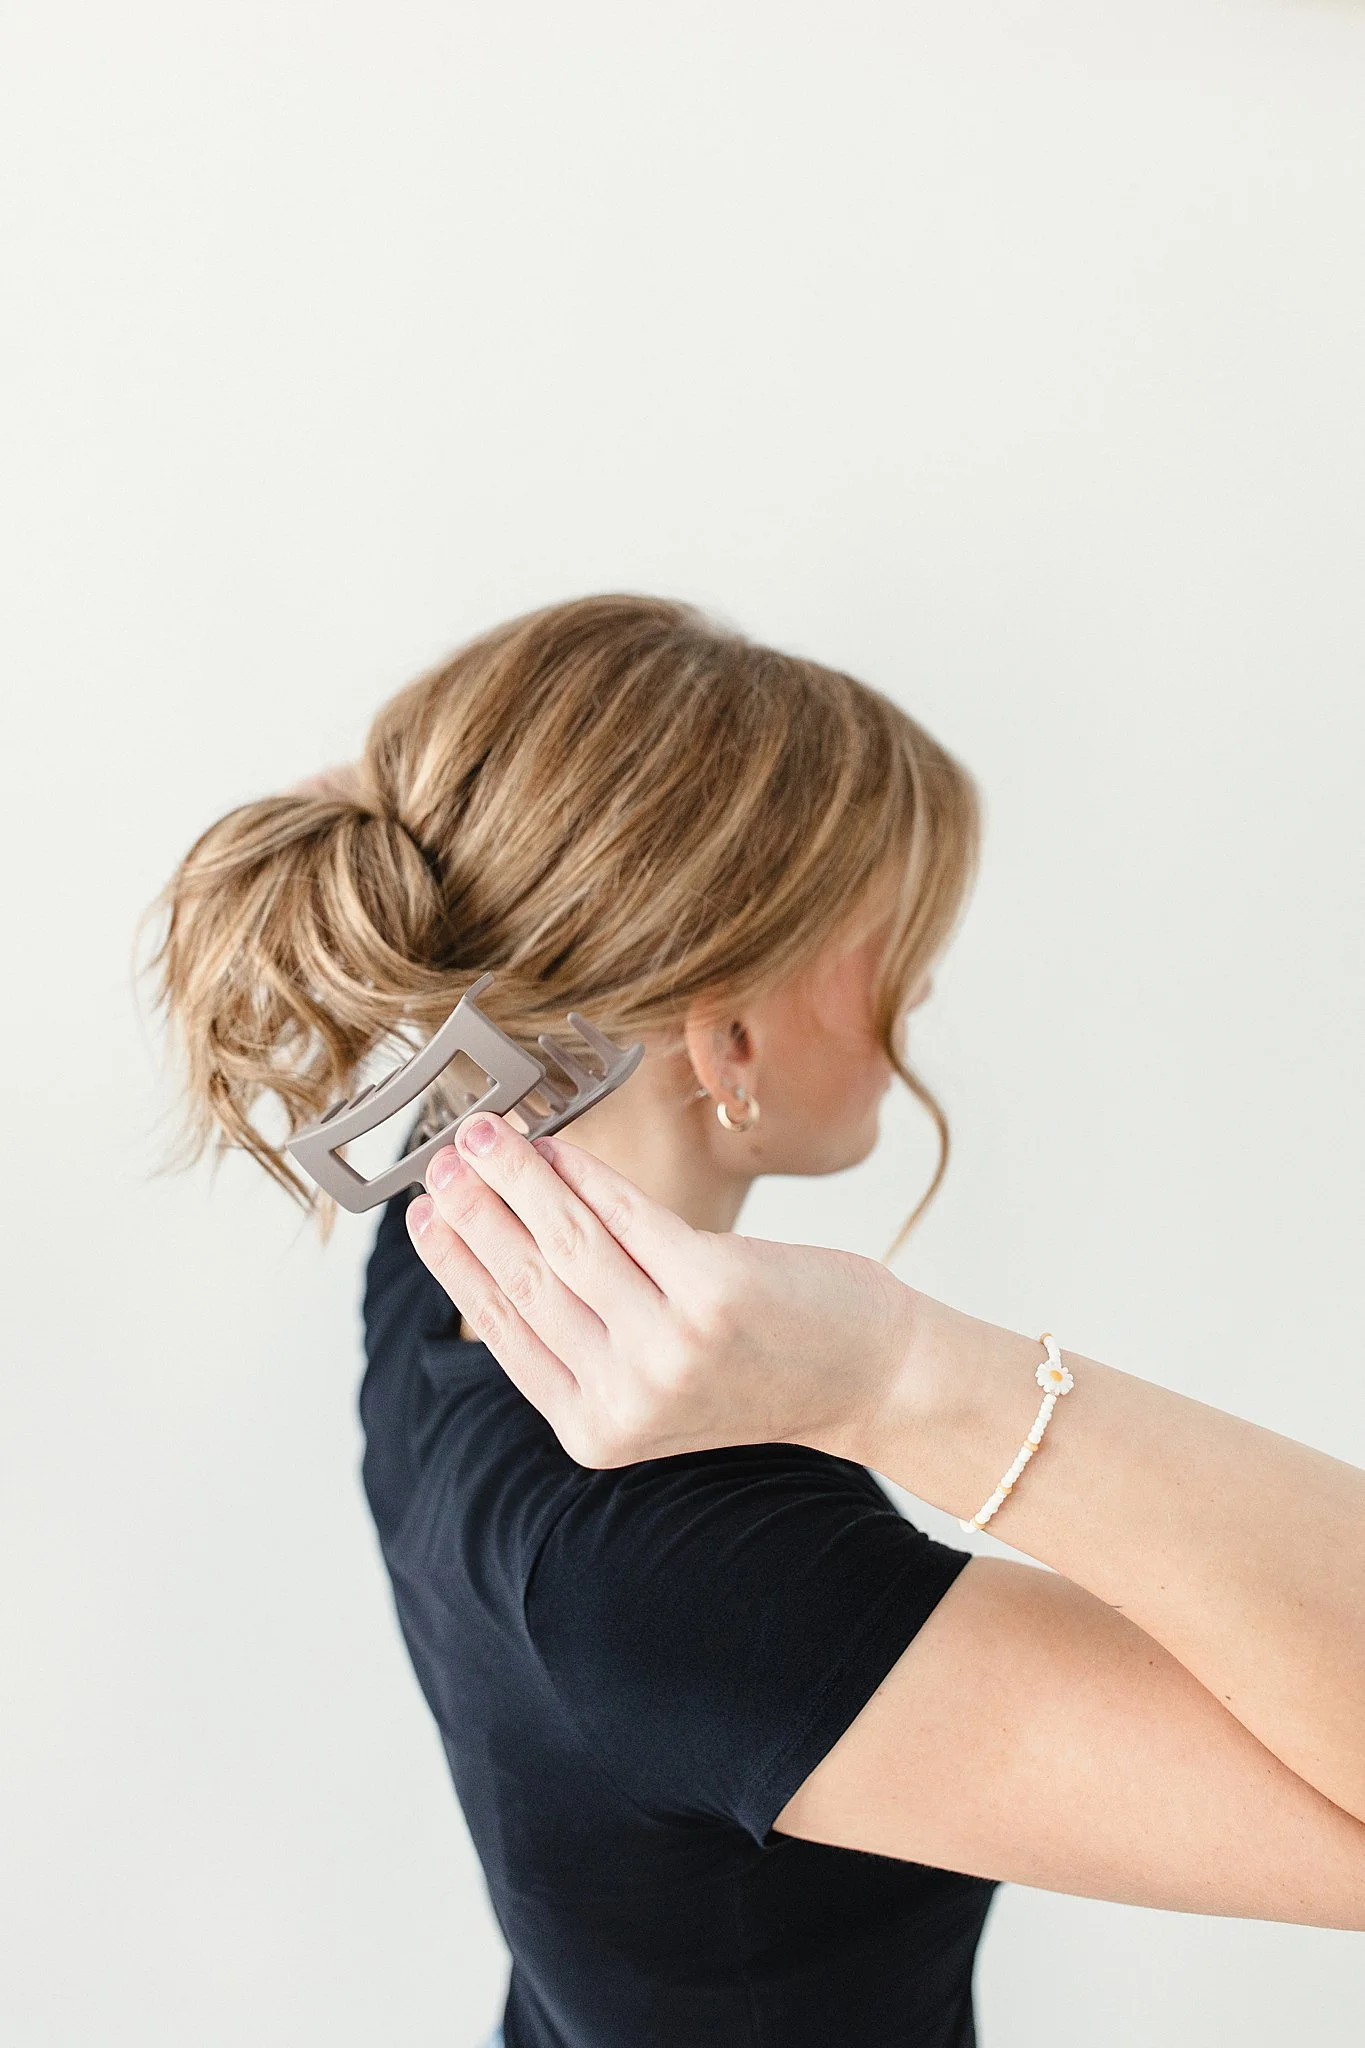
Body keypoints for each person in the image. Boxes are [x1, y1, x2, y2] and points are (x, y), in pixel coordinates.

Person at [151, 595, 1365, 2048]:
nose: (922, 979)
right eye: (888, 933)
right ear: (725, 1034)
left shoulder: (439, 1253)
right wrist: (909, 1375)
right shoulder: (693, 1574)